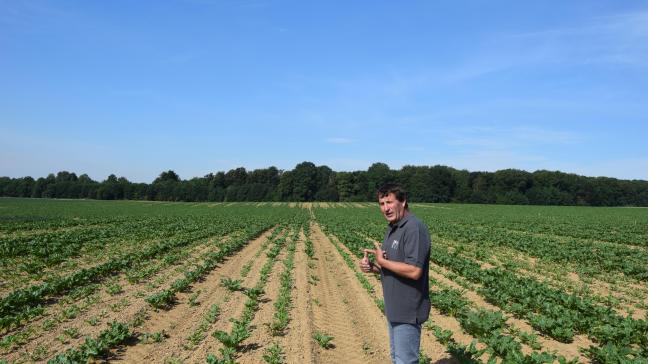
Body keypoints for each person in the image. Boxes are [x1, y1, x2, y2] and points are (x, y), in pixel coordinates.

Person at [359, 183, 431, 364]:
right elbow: (393, 268)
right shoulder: (393, 228)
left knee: (405, 361)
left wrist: (382, 261)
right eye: (382, 204)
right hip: (394, 309)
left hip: (408, 310)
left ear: (403, 201)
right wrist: (374, 268)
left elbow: (414, 271)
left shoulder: (414, 228)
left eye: (389, 202)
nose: (386, 208)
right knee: (397, 359)